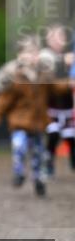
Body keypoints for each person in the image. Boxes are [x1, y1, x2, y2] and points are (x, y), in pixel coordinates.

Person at [0, 38, 73, 197]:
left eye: (35, 52)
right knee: (19, 146)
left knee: (38, 154)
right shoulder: (16, 77)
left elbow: (56, 87)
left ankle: (38, 179)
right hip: (19, 122)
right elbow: (3, 100)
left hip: (38, 123)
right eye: (27, 52)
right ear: (20, 55)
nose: (32, 56)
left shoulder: (44, 75)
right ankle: (19, 172)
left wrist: (68, 84)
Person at [42, 23, 74, 179]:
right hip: (51, 107)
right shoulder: (45, 57)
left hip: (68, 107)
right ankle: (48, 165)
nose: (58, 40)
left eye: (61, 36)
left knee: (71, 137)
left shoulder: (70, 57)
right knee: (53, 135)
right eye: (54, 36)